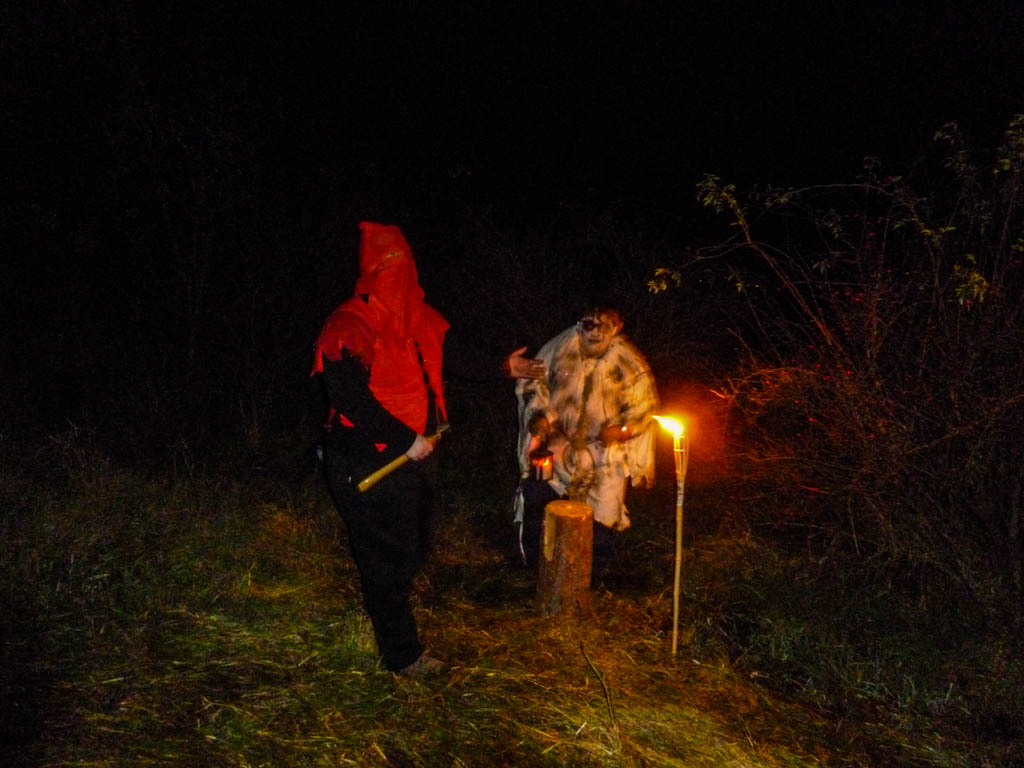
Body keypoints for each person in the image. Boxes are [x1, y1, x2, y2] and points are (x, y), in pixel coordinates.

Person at [312, 221, 542, 678]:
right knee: (385, 558)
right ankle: (401, 655)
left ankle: (388, 605)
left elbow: (453, 355)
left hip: (415, 456)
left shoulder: (420, 317)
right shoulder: (352, 322)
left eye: (404, 261)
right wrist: (404, 439)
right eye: (388, 263)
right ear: (372, 270)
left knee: (411, 545)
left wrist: (504, 366)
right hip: (366, 457)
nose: (398, 272)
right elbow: (346, 393)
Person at [514, 299, 658, 585]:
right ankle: (534, 570)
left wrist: (622, 430)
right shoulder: (557, 350)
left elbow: (645, 409)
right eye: (588, 324)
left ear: (617, 327)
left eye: (604, 325)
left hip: (605, 454)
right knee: (538, 500)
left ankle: (591, 579)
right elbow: (532, 386)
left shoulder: (629, 364)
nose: (595, 332)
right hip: (557, 448)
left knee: (602, 518)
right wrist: (538, 416)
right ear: (579, 324)